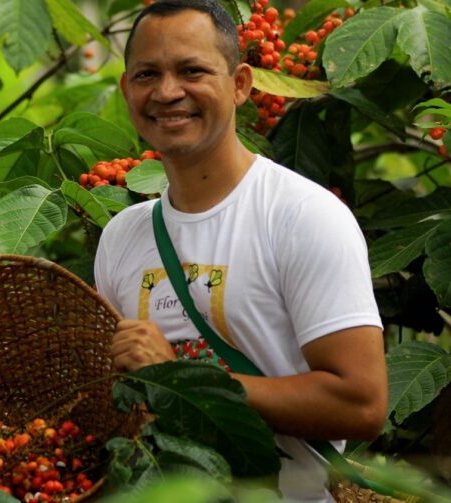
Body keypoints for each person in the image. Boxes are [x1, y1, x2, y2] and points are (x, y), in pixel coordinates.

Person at [94, 1, 387, 501]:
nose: (167, 92)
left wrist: (184, 379)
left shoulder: (302, 216)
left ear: (241, 84)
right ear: (127, 90)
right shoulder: (122, 235)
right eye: (147, 74)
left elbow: (362, 405)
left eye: (192, 71)